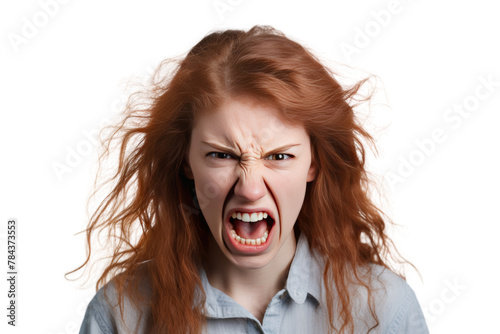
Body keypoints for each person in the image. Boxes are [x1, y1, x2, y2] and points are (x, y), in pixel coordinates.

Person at [75, 26, 429, 333]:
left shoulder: (385, 312)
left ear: (313, 164)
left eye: (279, 157)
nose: (250, 188)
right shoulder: (120, 315)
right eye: (222, 155)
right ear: (186, 162)